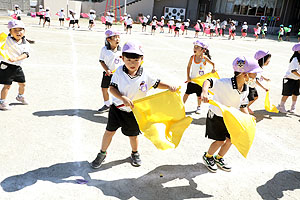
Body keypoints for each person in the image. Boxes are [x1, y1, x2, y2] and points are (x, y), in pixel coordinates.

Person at [90, 41, 177, 168]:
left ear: (142, 59)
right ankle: (102, 153)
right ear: (122, 58)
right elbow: (112, 89)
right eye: (129, 59)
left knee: (133, 135)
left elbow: (156, 83)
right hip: (117, 110)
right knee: (109, 131)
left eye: (136, 60)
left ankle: (135, 153)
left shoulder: (145, 74)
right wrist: (122, 97)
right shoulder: (119, 72)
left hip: (134, 112)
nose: (132, 63)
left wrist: (169, 86)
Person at [201, 56, 262, 172]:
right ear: (245, 74)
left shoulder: (246, 88)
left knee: (231, 139)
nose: (256, 77)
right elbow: (208, 81)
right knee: (220, 140)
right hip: (216, 116)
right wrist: (204, 92)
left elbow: (243, 106)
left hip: (230, 117)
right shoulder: (224, 83)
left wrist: (248, 118)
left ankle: (219, 157)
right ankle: (208, 156)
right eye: (254, 74)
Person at [0, 20, 30, 110]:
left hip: (17, 66)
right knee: (7, 85)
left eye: (20, 30)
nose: (18, 32)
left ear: (24, 31)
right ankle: (2, 102)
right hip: (6, 66)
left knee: (22, 83)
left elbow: (26, 54)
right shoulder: (6, 40)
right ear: (10, 32)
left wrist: (16, 59)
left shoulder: (25, 43)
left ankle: (20, 96)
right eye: (15, 30)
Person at [183, 40, 215, 114]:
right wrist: (188, 77)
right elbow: (188, 67)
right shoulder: (192, 58)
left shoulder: (203, 59)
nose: (195, 48)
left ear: (202, 50)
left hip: (200, 81)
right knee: (186, 93)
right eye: (194, 47)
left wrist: (213, 69)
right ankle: (181, 105)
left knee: (199, 96)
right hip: (192, 80)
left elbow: (213, 64)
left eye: (197, 47)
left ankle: (199, 107)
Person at [98, 30, 123, 113]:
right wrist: (107, 70)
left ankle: (119, 106)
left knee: (118, 91)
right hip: (108, 73)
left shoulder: (122, 50)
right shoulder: (104, 49)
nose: (117, 39)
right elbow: (102, 61)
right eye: (115, 37)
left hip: (119, 74)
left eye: (118, 37)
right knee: (104, 88)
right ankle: (107, 104)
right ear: (108, 39)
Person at [277, 43, 300, 113]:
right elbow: (293, 71)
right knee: (286, 94)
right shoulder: (295, 59)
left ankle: (293, 107)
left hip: (297, 79)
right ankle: (281, 106)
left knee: (295, 94)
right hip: (289, 78)